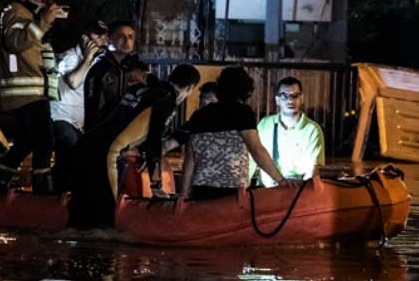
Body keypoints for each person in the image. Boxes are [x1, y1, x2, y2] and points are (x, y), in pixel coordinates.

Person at [70, 63, 200, 227]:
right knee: (106, 217)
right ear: (189, 88)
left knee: (79, 212)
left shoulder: (144, 89)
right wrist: (156, 184)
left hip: (84, 146)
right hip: (105, 155)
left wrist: (142, 152)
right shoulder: (167, 100)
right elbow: (154, 141)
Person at [0, 0, 66, 194]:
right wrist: (44, 22)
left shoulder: (30, 12)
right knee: (45, 140)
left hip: (35, 89)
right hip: (25, 91)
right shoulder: (14, 10)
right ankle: (42, 192)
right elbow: (14, 42)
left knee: (28, 140)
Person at [179, 66, 290, 201]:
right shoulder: (243, 113)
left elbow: (190, 159)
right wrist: (280, 180)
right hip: (232, 192)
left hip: (201, 191)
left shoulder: (198, 116)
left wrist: (183, 195)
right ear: (246, 91)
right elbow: (257, 150)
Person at [50, 20, 109, 190]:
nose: (101, 40)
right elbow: (73, 82)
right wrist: (89, 58)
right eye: (97, 34)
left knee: (71, 160)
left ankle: (60, 192)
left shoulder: (96, 62)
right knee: (76, 151)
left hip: (80, 124)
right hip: (60, 120)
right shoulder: (70, 57)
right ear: (84, 37)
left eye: (104, 36)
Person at [252, 76, 325, 184]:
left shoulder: (312, 130)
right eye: (284, 96)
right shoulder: (264, 125)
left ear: (302, 98)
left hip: (296, 191)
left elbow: (312, 172)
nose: (290, 100)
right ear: (277, 100)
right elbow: (253, 157)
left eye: (295, 95)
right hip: (266, 192)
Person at [83, 20, 138, 132]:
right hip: (104, 133)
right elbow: (92, 110)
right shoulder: (99, 69)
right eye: (121, 37)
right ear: (109, 39)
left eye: (131, 37)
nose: (127, 41)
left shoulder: (137, 68)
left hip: (130, 135)